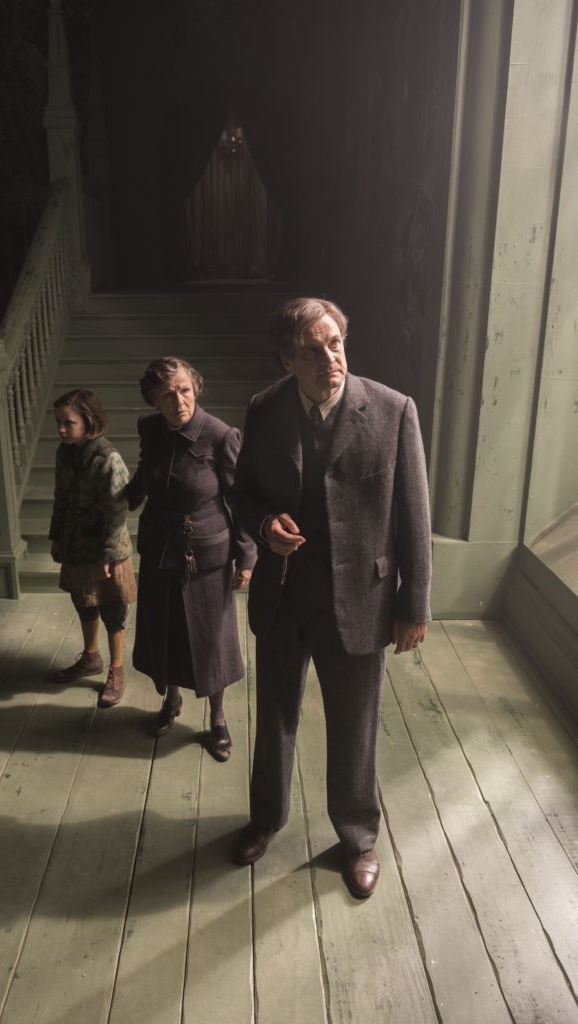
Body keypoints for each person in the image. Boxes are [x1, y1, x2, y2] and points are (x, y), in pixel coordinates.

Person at [230, 297, 432, 898]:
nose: (329, 359)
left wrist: (413, 605)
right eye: (311, 351)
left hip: (362, 598)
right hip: (283, 593)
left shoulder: (393, 411)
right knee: (275, 716)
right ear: (287, 360)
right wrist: (265, 526)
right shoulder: (265, 408)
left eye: (335, 344)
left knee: (355, 723)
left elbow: (414, 517)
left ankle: (358, 836)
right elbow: (243, 493)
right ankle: (266, 818)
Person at [125, 356, 256, 762]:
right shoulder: (150, 428)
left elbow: (240, 499)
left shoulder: (220, 435)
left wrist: (247, 557)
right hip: (160, 547)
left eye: (184, 390)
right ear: (153, 399)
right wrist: (123, 499)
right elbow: (145, 473)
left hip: (207, 553)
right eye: (167, 394)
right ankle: (172, 699)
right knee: (165, 629)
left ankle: (217, 718)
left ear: (195, 387)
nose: (178, 400)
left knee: (211, 640)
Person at [49, 388, 136, 707]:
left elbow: (117, 512)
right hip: (76, 542)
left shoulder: (108, 459)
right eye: (58, 423)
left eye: (68, 423)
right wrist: (56, 536)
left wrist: (109, 556)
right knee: (84, 601)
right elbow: (61, 498)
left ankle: (116, 669)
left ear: (89, 421)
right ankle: (90, 658)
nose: (61, 429)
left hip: (106, 548)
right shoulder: (64, 454)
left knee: (113, 607)